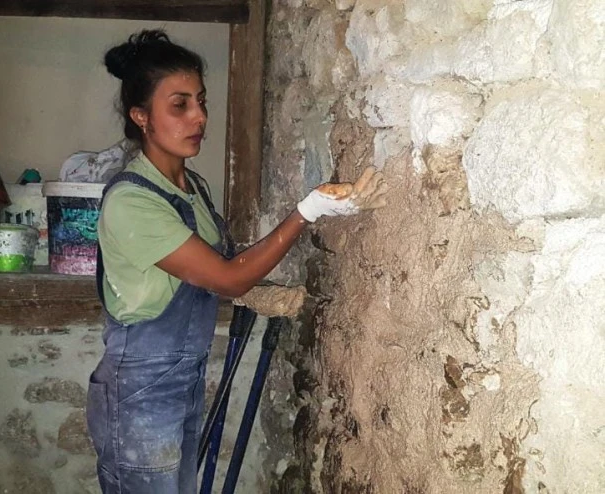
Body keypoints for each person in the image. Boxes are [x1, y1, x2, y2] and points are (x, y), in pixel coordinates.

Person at [86, 29, 388, 494]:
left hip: (181, 381)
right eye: (180, 105)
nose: (199, 117)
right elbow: (226, 279)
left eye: (201, 102)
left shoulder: (192, 188)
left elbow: (215, 268)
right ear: (141, 116)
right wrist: (308, 210)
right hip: (139, 391)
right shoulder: (132, 201)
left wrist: (261, 291)